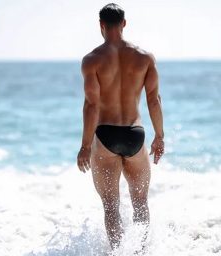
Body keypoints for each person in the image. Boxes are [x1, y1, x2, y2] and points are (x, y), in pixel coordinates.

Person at [76, 3, 165, 249]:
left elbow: (91, 106)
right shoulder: (145, 58)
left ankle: (117, 252)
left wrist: (85, 146)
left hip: (105, 135)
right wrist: (159, 136)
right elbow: (153, 101)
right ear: (124, 24)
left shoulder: (91, 60)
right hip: (135, 135)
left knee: (111, 205)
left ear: (101, 26)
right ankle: (139, 252)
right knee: (140, 202)